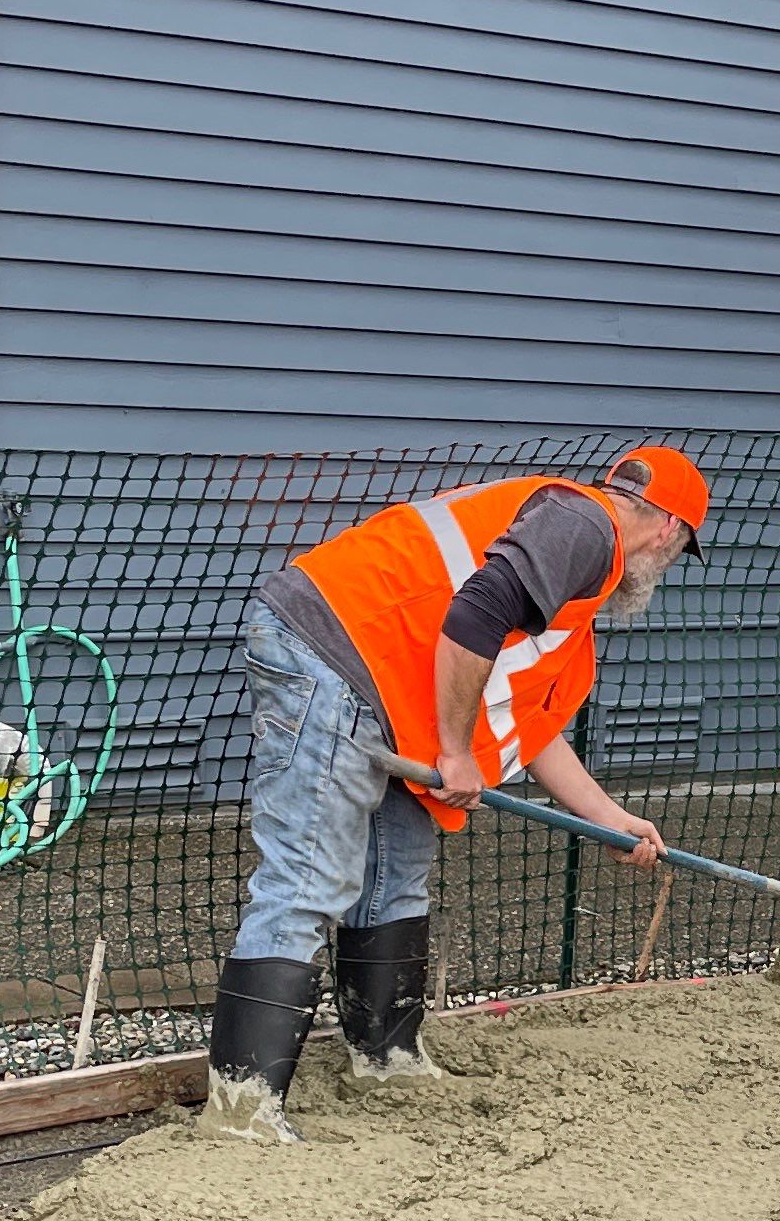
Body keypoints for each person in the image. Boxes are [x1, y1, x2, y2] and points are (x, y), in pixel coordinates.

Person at [206, 445, 711, 1140]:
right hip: (331, 653)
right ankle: (240, 1111)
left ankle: (388, 1060)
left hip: (379, 683)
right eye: (680, 550)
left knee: (394, 880)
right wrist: (453, 751)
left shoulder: (569, 598)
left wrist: (611, 819)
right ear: (667, 531)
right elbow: (475, 615)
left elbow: (530, 732)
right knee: (306, 879)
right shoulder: (585, 528)